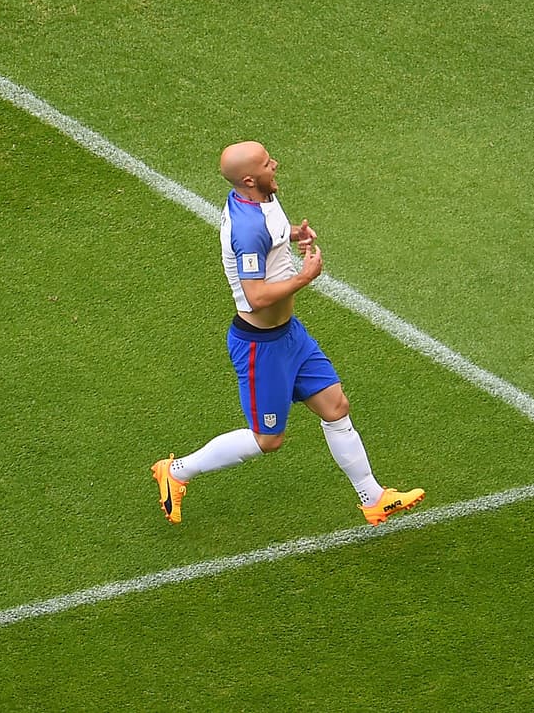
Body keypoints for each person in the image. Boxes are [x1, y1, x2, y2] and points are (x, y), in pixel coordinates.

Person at [151, 140, 424, 526]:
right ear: (249, 179)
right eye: (267, 163)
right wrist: (304, 277)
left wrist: (293, 234)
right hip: (259, 347)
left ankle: (373, 498)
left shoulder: (262, 198)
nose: (275, 164)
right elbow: (256, 296)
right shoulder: (248, 229)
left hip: (289, 335)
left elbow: (272, 231)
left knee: (336, 407)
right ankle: (176, 471)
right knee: (268, 440)